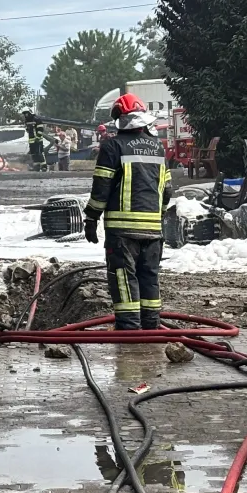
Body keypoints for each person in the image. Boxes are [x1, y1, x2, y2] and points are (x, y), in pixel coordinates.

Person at [83, 93, 174, 330]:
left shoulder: (113, 146)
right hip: (153, 230)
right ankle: (151, 326)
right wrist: (159, 217)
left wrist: (91, 218)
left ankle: (129, 329)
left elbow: (101, 187)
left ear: (118, 119)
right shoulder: (157, 147)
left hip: (122, 231)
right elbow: (167, 190)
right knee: (149, 277)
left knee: (124, 279)